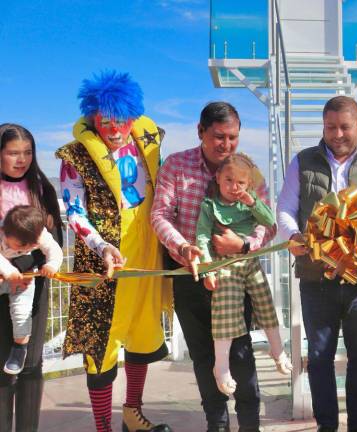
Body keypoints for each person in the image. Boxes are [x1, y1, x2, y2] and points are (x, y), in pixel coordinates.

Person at [56, 70, 172, 432]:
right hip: (101, 266)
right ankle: (103, 426)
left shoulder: (147, 146)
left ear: (133, 118)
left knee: (143, 337)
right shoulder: (74, 156)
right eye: (106, 122)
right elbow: (74, 211)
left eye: (122, 121)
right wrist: (100, 244)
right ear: (94, 118)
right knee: (100, 347)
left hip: (145, 260)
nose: (116, 130)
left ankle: (132, 415)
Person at [276, 95, 357, 432]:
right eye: (330, 127)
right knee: (321, 359)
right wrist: (294, 235)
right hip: (316, 279)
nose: (337, 134)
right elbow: (285, 208)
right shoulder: (302, 162)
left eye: (344, 126)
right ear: (323, 127)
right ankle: (326, 426)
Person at [151, 102, 267, 432]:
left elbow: (266, 221)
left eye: (233, 137)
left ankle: (250, 426)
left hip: (234, 278)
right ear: (200, 132)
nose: (226, 145)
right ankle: (217, 426)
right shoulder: (176, 165)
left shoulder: (250, 169)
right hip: (191, 277)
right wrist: (183, 247)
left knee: (241, 356)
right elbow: (159, 215)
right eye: (219, 136)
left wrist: (243, 245)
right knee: (204, 358)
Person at [195, 152, 291, 397]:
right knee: (226, 310)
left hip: (249, 260)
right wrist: (207, 268)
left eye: (240, 183)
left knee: (265, 302)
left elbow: (270, 221)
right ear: (218, 178)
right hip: (224, 264)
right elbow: (203, 236)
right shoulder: (210, 205)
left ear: (249, 184)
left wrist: (251, 201)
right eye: (228, 180)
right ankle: (222, 366)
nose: (233, 187)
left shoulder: (247, 202)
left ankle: (278, 350)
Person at [0, 123, 63, 432]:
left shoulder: (40, 187)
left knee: (31, 364)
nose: (20, 159)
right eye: (12, 152)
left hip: (32, 285)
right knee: (3, 368)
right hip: (2, 282)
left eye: (27, 152)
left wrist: (40, 267)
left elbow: (54, 237)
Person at [0, 206, 63, 374]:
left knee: (22, 312)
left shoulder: (38, 232)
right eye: (20, 247)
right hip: (4, 275)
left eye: (31, 247)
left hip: (24, 280)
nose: (24, 251)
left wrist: (51, 265)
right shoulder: (3, 231)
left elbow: (54, 250)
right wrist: (8, 272)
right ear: (5, 232)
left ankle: (19, 348)